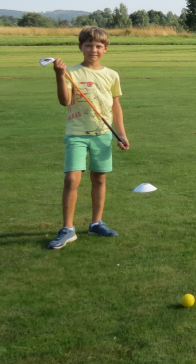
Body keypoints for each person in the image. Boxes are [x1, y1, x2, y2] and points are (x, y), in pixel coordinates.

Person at [47, 26, 130, 250]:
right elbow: (65, 101)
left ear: (105, 49)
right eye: (89, 45)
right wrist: (59, 75)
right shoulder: (71, 72)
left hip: (103, 134)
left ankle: (96, 223)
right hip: (76, 134)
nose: (93, 49)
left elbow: (116, 106)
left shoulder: (112, 75)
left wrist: (121, 134)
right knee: (71, 179)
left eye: (98, 46)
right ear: (80, 47)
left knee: (99, 179)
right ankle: (67, 229)